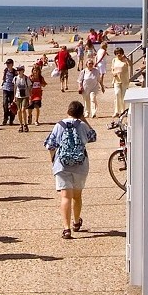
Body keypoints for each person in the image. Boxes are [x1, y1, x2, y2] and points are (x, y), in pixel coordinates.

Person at [44, 101, 97, 239]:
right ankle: (76, 222)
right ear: (80, 113)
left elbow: (50, 145)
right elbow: (93, 136)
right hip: (80, 165)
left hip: (62, 165)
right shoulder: (82, 125)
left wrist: (53, 160)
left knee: (65, 196)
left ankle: (66, 229)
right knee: (77, 196)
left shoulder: (59, 125)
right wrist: (84, 119)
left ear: (68, 111)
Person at [110, 48, 132, 116]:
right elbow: (112, 69)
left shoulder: (125, 60)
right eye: (116, 53)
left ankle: (123, 110)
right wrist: (113, 73)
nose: (118, 54)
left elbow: (131, 64)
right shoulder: (114, 60)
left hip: (124, 80)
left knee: (123, 96)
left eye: (119, 53)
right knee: (117, 94)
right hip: (116, 79)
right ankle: (117, 111)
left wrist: (126, 58)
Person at [0, 58, 18, 125]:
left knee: (12, 105)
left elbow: (16, 81)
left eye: (8, 64)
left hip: (12, 90)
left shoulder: (14, 72)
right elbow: (4, 78)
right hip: (5, 88)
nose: (7, 65)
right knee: (5, 104)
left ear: (12, 64)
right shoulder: (5, 70)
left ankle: (11, 119)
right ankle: (5, 118)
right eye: (7, 64)